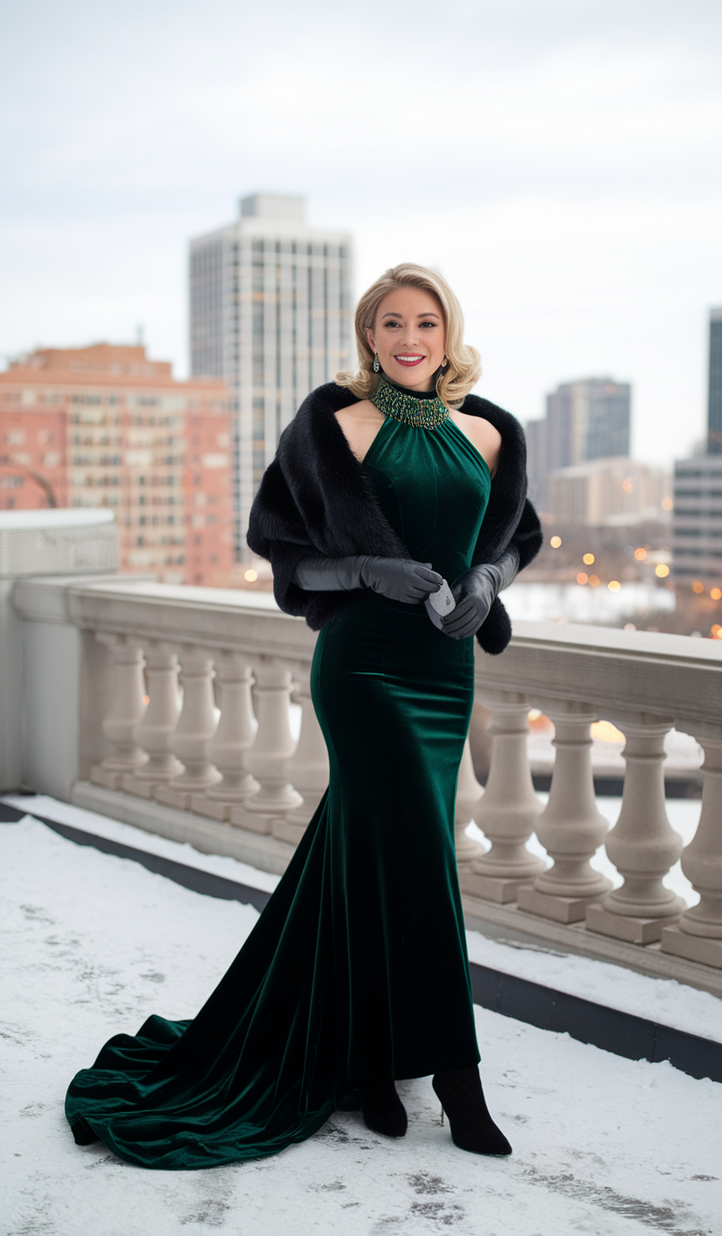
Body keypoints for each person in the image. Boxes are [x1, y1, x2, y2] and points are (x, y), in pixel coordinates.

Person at [65, 264, 542, 1170]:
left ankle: (366, 1062)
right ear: (369, 335)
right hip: (363, 665)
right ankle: (455, 1075)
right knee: (417, 858)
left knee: (376, 854)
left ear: (448, 334)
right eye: (392, 322)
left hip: (444, 672)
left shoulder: (491, 431)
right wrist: (369, 571)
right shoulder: (335, 424)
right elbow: (283, 552)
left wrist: (485, 580)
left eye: (427, 323)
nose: (410, 338)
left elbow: (518, 537)